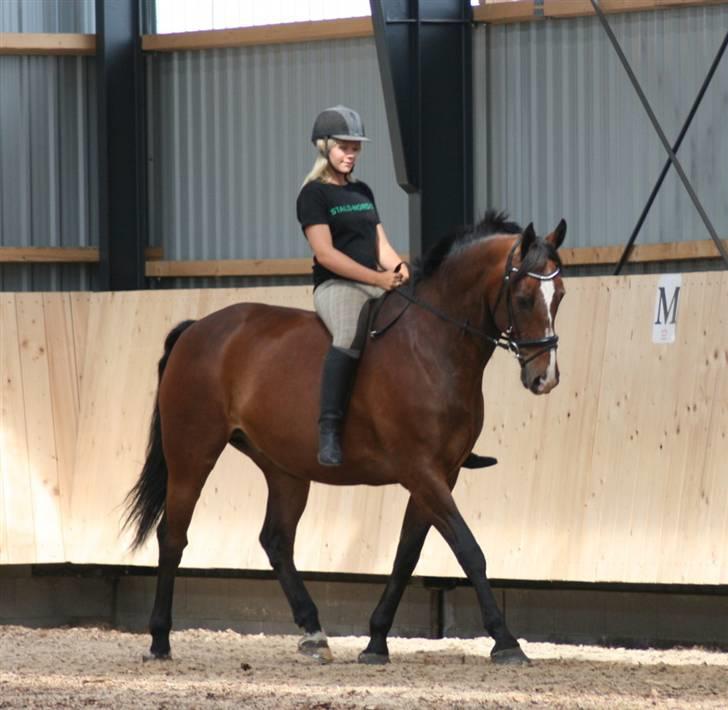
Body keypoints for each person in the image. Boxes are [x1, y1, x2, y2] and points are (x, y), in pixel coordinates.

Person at [296, 105, 410, 467]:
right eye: (344, 147)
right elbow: (326, 255)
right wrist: (378, 277)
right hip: (337, 287)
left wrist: (403, 270)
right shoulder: (313, 195)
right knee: (347, 333)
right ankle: (329, 430)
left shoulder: (362, 192)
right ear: (324, 146)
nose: (350, 154)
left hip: (374, 283)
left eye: (355, 148)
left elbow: (381, 247)